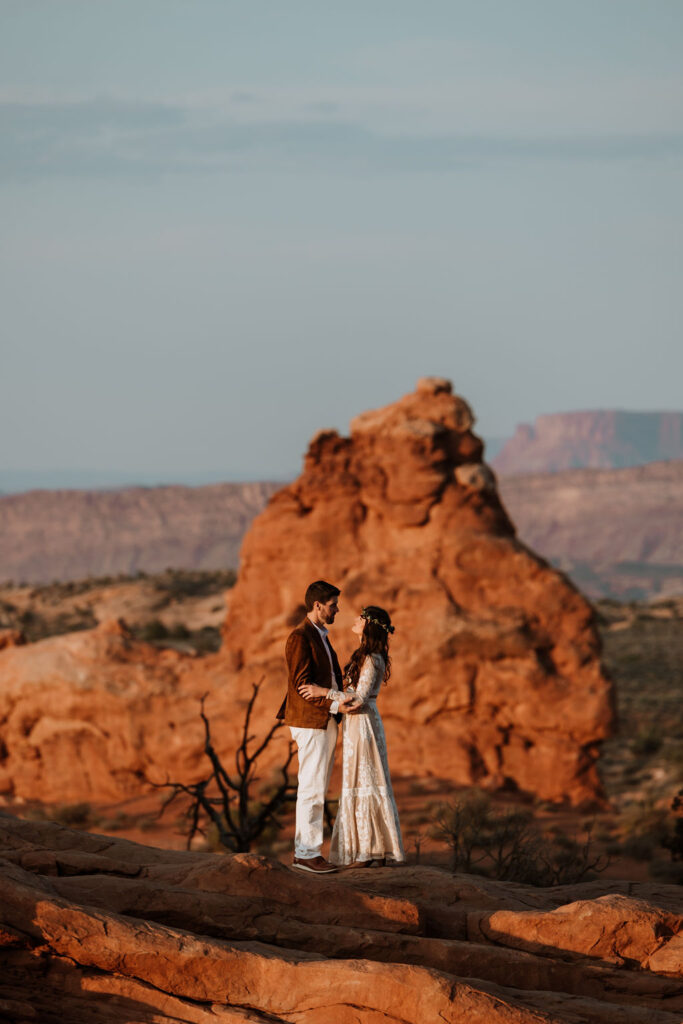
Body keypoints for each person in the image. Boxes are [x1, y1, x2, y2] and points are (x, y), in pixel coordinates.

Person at [300, 605, 404, 868]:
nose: (356, 619)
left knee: (366, 778)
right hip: (355, 725)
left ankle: (368, 852)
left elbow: (359, 698)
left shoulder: (372, 657)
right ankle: (370, 851)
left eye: (362, 617)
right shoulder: (365, 655)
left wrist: (322, 692)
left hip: (364, 725)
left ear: (369, 625)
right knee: (359, 779)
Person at [277, 579, 355, 874]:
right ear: (318, 605)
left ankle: (308, 852)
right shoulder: (300, 637)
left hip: (323, 719)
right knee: (311, 787)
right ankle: (306, 853)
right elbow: (301, 685)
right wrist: (335, 705)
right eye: (333, 604)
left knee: (318, 785)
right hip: (312, 721)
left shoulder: (320, 634)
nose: (337, 609)